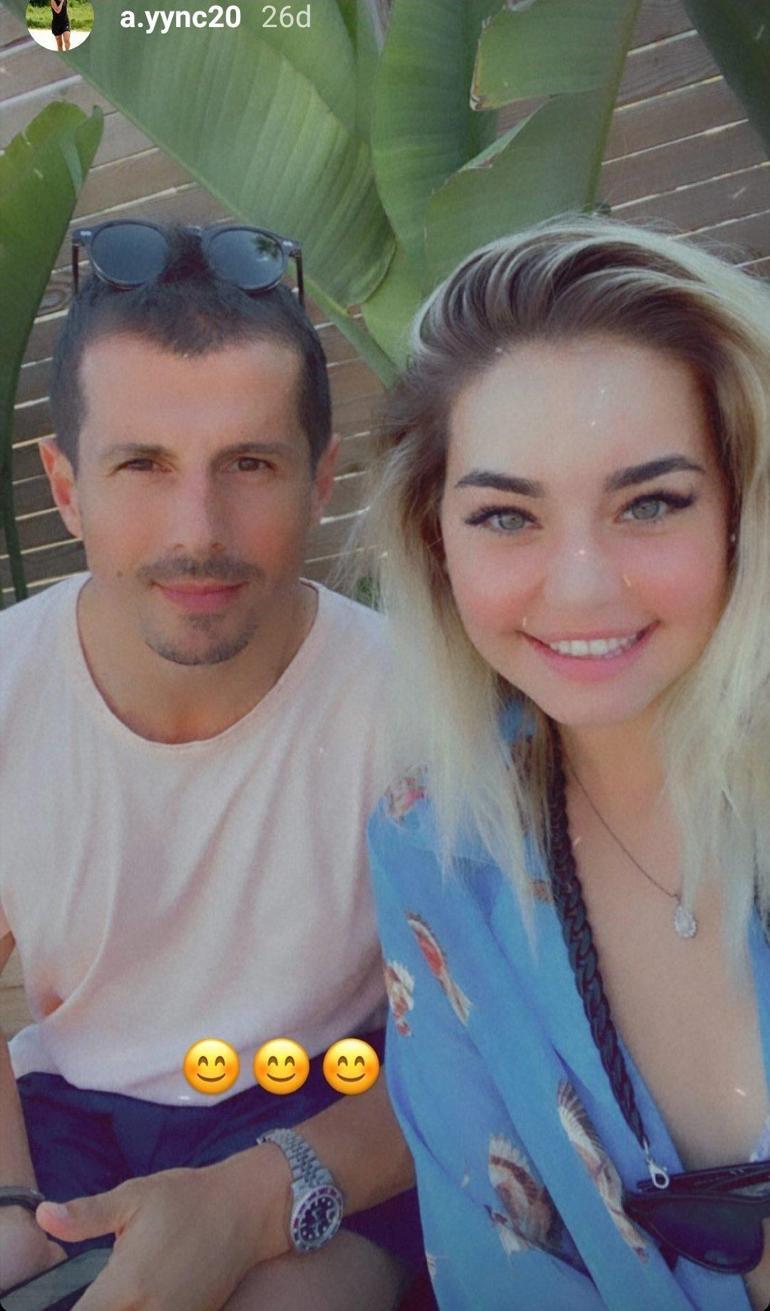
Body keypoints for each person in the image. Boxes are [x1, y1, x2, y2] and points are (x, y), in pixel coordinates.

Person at [0, 222, 427, 1311]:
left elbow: (482, 1048)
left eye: (249, 464)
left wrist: (249, 1203)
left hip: (324, 1107)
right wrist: (7, 1207)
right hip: (67, 1119)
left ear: (321, 480)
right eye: (143, 465)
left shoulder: (413, 708)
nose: (198, 531)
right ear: (65, 486)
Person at [365, 215, 770, 1310]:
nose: (582, 587)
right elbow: (496, 1256)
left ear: (740, 508)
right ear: (435, 542)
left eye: (651, 503)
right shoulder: (435, 846)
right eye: (506, 517)